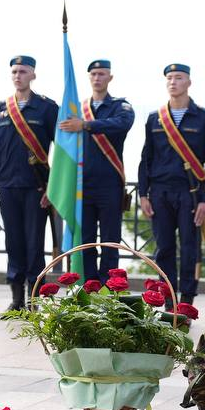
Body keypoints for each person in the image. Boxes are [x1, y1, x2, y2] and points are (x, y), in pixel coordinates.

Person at [139, 63, 205, 306]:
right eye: (170, 78)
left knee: (189, 248)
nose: (173, 82)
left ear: (189, 83)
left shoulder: (204, 118)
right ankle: (167, 300)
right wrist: (143, 193)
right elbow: (146, 159)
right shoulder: (155, 118)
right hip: (160, 192)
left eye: (179, 77)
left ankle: (186, 302)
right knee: (163, 248)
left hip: (190, 194)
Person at [0, 56, 58, 312]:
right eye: (14, 71)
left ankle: (34, 301)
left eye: (23, 71)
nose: (18, 75)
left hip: (36, 188)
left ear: (33, 75)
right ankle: (16, 300)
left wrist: (53, 187)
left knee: (34, 244)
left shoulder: (47, 108)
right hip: (8, 186)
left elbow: (61, 153)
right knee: (13, 243)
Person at [57, 59, 135, 282]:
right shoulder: (79, 109)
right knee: (86, 240)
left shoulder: (120, 107)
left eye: (102, 74)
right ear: (89, 77)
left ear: (110, 77)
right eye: (94, 74)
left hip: (110, 184)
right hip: (83, 184)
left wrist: (86, 125)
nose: (97, 78)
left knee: (110, 242)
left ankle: (109, 289)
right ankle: (89, 287)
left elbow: (121, 124)